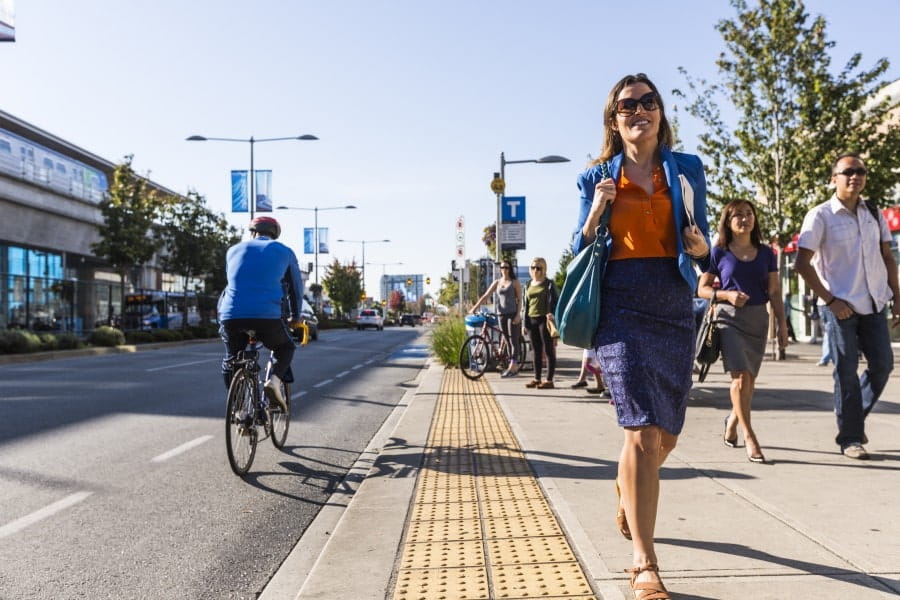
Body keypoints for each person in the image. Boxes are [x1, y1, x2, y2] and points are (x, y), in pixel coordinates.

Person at [570, 73, 710, 600]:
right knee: (643, 432)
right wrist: (599, 209)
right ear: (614, 119)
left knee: (666, 433)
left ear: (659, 115)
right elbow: (578, 244)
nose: (639, 110)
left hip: (673, 300)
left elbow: (702, 247)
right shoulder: (595, 178)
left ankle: (628, 487)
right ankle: (643, 565)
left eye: (648, 102)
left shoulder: (687, 168)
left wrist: (701, 252)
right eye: (628, 105)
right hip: (621, 300)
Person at [795, 153, 900, 460]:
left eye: (860, 171)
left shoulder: (873, 213)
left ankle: (852, 422)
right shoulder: (821, 215)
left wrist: (897, 297)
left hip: (874, 302)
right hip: (840, 305)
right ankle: (851, 437)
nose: (855, 176)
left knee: (883, 366)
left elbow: (888, 258)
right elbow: (802, 263)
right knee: (846, 372)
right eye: (848, 171)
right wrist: (830, 300)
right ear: (834, 178)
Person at [697, 199, 788, 464]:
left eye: (749, 214)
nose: (745, 219)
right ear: (728, 221)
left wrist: (782, 325)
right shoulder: (719, 253)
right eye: (737, 215)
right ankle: (750, 435)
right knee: (738, 380)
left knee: (749, 381)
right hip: (728, 320)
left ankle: (733, 422)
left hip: (758, 320)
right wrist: (726, 294)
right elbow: (702, 290)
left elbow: (774, 291)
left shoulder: (767, 253)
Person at [218, 216, 304, 412]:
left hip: (231, 315)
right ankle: (273, 382)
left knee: (231, 359)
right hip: (267, 316)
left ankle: (238, 410)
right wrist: (295, 317)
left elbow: (231, 287)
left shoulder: (232, 250)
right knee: (285, 347)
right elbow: (295, 289)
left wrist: (222, 318)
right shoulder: (285, 252)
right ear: (274, 234)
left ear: (252, 232)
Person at [470, 260, 523, 377]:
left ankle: (513, 366)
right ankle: (512, 366)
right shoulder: (497, 282)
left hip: (512, 314)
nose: (504, 269)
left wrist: (518, 315)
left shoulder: (515, 282)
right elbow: (485, 295)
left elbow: (520, 300)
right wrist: (475, 307)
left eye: (506, 267)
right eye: (502, 267)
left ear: (510, 269)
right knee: (507, 341)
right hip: (501, 315)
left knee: (513, 340)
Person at [521, 257, 557, 389]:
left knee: (548, 350)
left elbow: (556, 302)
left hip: (544, 320)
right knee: (535, 351)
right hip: (531, 320)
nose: (535, 270)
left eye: (539, 267)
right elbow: (525, 305)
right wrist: (524, 324)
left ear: (544, 269)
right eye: (533, 267)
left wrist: (552, 313)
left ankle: (549, 380)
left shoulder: (549, 284)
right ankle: (537, 378)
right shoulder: (528, 284)